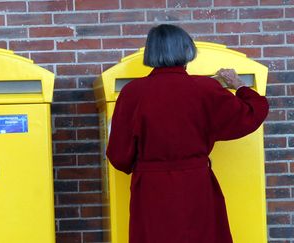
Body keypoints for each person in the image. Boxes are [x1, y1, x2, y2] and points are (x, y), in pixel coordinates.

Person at [106, 24, 269, 243]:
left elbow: (118, 155)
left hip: (151, 190)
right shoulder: (205, 88)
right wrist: (239, 86)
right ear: (186, 50)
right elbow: (251, 113)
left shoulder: (132, 93)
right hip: (195, 185)